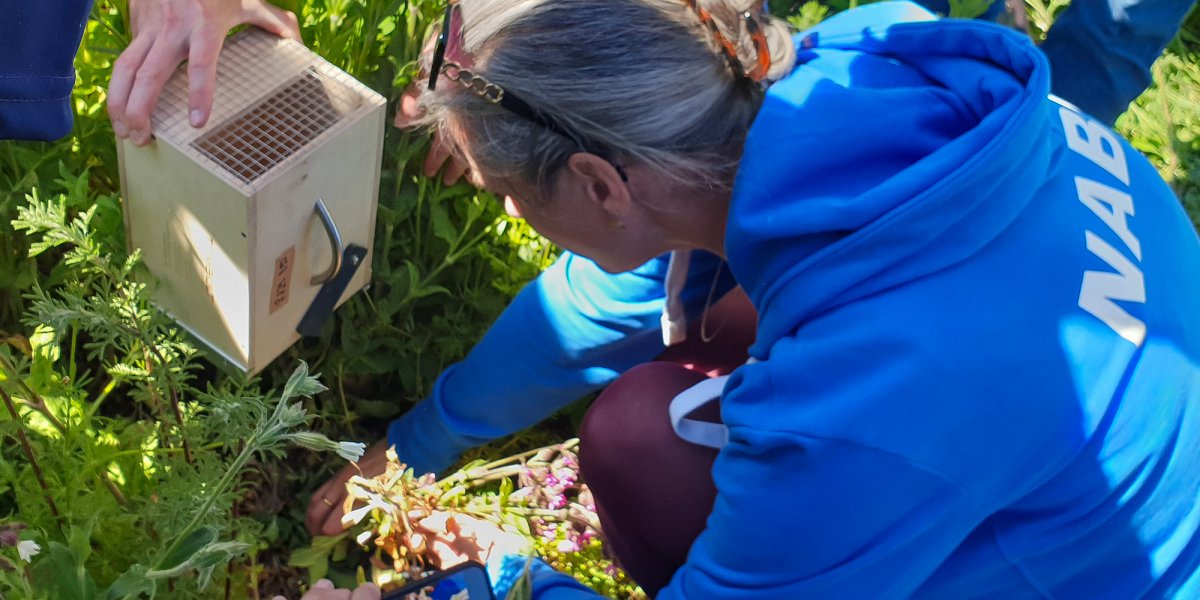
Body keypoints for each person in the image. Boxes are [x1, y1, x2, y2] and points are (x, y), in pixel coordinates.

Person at [297, 0, 1199, 598]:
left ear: (599, 183)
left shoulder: (869, 397)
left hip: (1094, 576)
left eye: (505, 192)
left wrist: (494, 577)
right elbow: (602, 301)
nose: (505, 207)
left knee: (642, 443)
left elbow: (870, 411)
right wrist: (410, 449)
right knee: (646, 418)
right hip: (1049, 440)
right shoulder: (828, 77)